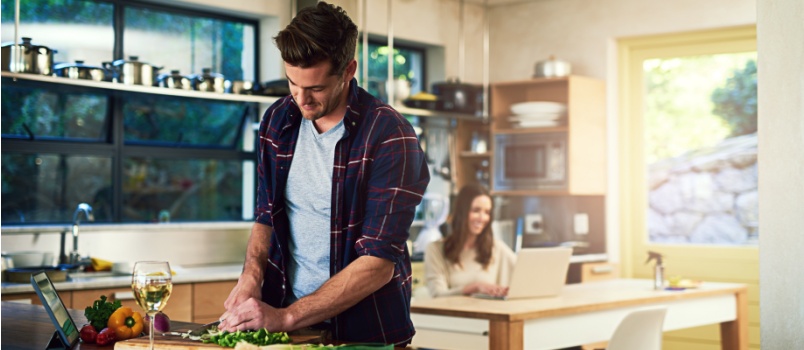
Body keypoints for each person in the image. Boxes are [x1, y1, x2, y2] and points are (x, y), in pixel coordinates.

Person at [218, 2, 430, 346]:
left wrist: (285, 316)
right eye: (292, 83)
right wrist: (251, 276)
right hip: (291, 330)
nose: (301, 99)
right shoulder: (277, 119)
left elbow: (378, 262)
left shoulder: (390, 135)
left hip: (364, 332)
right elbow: (266, 215)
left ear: (348, 70)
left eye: (315, 88)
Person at [424, 184, 516, 298]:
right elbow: (437, 295)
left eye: (487, 212)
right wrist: (473, 288)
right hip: (453, 315)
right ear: (462, 212)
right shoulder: (435, 249)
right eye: (476, 210)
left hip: (488, 314)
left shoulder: (497, 248)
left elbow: (526, 273)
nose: (482, 218)